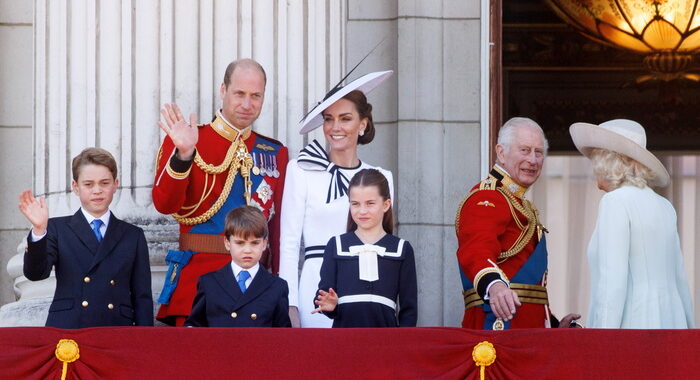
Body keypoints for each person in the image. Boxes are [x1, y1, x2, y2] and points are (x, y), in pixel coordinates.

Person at [153, 58, 288, 326]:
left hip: (255, 289)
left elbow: (278, 229)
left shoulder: (274, 152)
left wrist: (279, 286)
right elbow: (165, 204)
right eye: (239, 94)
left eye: (255, 96)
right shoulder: (189, 138)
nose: (247, 104)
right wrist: (184, 154)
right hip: (197, 286)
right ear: (223, 90)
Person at [278, 70, 395, 328]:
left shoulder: (381, 178)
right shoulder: (301, 170)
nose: (335, 127)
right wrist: (290, 304)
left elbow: (385, 246)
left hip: (366, 286)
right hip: (315, 286)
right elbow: (288, 244)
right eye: (329, 119)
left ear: (363, 124)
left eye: (345, 118)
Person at [455, 117, 580, 330]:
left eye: (538, 152)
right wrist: (494, 285)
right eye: (524, 150)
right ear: (501, 153)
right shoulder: (488, 198)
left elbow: (526, 287)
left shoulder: (517, 202)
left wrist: (554, 325)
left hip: (527, 332)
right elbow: (475, 251)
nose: (533, 160)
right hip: (498, 328)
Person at [569, 119, 695, 329]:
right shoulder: (664, 206)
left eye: (594, 159)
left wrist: (602, 340)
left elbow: (612, 283)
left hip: (634, 325)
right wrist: (691, 332)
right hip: (671, 323)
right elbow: (680, 279)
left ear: (605, 162)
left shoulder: (615, 202)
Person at [19, 148, 153, 328]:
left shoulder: (132, 235)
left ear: (115, 184)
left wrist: (144, 343)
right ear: (76, 187)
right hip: (70, 328)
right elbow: (36, 274)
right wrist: (38, 231)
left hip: (117, 329)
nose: (97, 190)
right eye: (88, 184)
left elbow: (142, 296)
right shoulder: (56, 228)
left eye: (104, 183)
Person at [313, 169, 417, 327]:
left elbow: (409, 309)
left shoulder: (402, 248)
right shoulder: (336, 245)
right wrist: (329, 306)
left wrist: (403, 346)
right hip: (344, 339)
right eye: (355, 204)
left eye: (370, 203)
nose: (362, 211)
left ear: (386, 204)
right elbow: (323, 296)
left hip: (387, 341)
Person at [185, 206, 291, 327]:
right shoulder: (209, 283)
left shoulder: (277, 286)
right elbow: (194, 328)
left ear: (264, 244)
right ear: (227, 243)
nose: (247, 250)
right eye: (240, 243)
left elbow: (283, 335)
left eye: (255, 243)